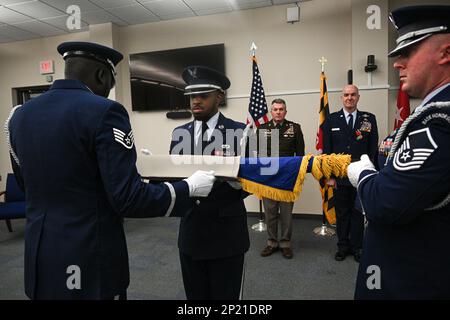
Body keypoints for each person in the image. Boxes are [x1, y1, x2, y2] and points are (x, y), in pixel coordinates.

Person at [5, 42, 216, 300]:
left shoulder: (19, 116)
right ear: (102, 75)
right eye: (111, 83)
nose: (108, 91)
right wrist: (188, 187)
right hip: (89, 255)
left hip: (40, 257)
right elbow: (128, 198)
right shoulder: (104, 111)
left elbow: (30, 186)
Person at [348, 5, 450, 299]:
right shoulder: (427, 115)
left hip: (411, 277)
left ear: (445, 53)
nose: (397, 63)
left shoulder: (438, 122)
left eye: (409, 52)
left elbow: (383, 204)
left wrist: (364, 174)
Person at [169, 65, 250, 300]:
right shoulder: (178, 133)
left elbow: (253, 181)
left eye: (203, 95)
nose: (196, 101)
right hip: (191, 233)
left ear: (219, 97)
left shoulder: (240, 132)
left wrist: (235, 181)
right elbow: (176, 176)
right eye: (192, 96)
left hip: (226, 235)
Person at [322, 84, 378, 262]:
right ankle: (342, 246)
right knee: (342, 212)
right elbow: (327, 151)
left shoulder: (368, 119)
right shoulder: (331, 120)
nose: (349, 98)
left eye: (353, 95)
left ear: (358, 97)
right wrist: (329, 176)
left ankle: (357, 247)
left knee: (357, 212)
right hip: (339, 176)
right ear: (342, 98)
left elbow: (372, 150)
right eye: (346, 95)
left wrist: (371, 174)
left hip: (361, 175)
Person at [257, 99, 305, 259]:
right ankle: (271, 242)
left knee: (286, 213)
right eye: (275, 109)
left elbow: (300, 156)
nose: (278, 112)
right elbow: (261, 155)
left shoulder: (294, 128)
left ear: (286, 111)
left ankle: (285, 243)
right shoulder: (262, 129)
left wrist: (297, 177)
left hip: (287, 178)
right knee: (270, 212)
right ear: (271, 112)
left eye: (281, 109)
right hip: (269, 178)